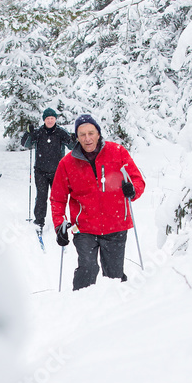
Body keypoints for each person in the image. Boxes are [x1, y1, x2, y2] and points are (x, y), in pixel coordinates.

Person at [50, 113, 145, 290]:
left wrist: (132, 189)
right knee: (87, 268)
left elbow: (138, 180)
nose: (87, 139)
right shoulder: (67, 163)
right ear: (76, 137)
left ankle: (117, 310)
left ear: (98, 133)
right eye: (82, 134)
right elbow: (57, 198)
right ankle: (80, 305)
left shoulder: (117, 152)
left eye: (91, 133)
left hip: (116, 224)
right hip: (84, 227)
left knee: (114, 276)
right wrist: (59, 224)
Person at [21, 108, 75, 234]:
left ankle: (60, 221)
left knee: (57, 198)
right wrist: (28, 133)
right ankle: (39, 222)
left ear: (55, 119)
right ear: (44, 120)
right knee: (41, 197)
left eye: (52, 118)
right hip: (40, 171)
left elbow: (72, 146)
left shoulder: (61, 132)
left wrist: (74, 138)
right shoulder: (39, 132)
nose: (50, 121)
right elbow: (26, 144)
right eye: (47, 119)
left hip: (57, 172)